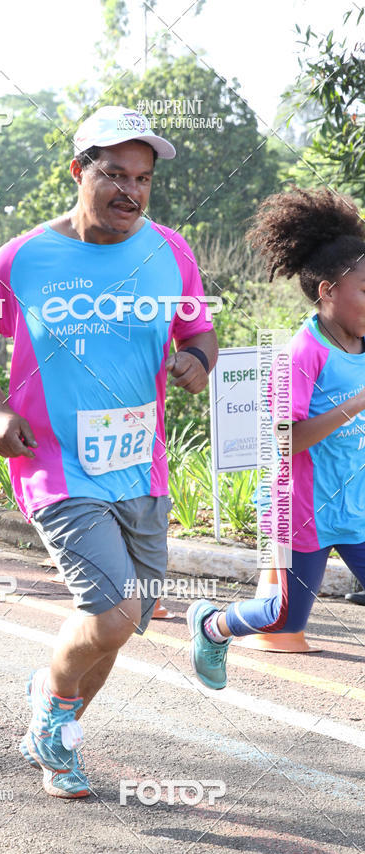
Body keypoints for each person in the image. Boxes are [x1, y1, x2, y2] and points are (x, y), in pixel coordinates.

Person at [0, 105, 218, 798]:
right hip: (56, 463)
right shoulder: (27, 255)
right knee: (114, 609)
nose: (130, 190)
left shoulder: (171, 251)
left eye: (143, 178)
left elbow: (199, 334)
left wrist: (197, 362)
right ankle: (53, 696)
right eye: (114, 174)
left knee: (127, 619)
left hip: (141, 464)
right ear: (79, 173)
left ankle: (58, 732)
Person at [187, 187, 365, 690]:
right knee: (282, 617)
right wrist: (356, 402)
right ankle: (212, 624)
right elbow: (287, 440)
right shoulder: (299, 356)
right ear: (329, 290)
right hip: (300, 510)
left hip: (355, 508)